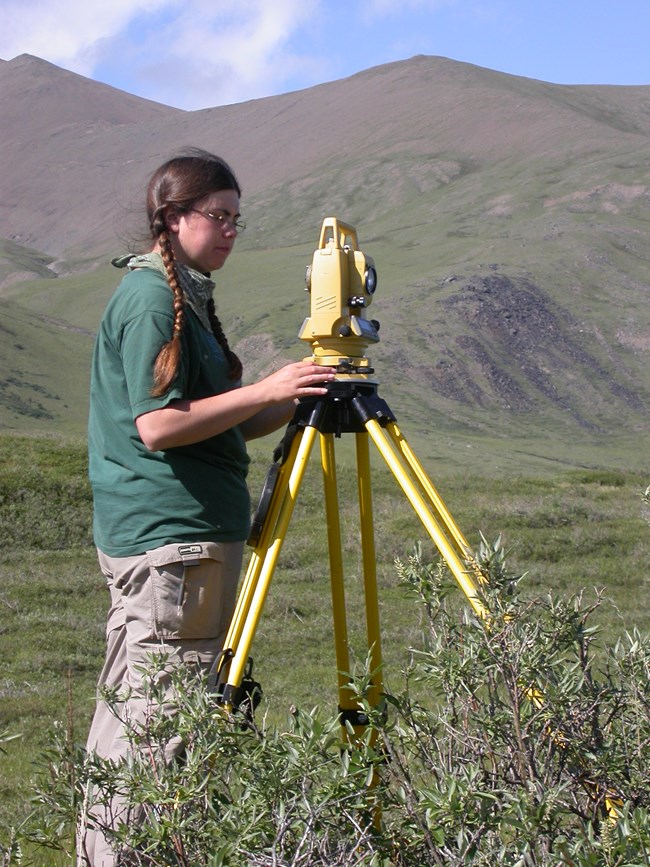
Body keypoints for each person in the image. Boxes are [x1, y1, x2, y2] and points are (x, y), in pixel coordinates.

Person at [80, 148, 335, 865]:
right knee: (159, 726)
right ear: (173, 217)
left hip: (191, 544)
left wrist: (296, 390)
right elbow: (157, 424)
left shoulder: (189, 293)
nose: (228, 230)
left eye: (235, 219)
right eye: (216, 216)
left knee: (166, 716)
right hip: (173, 545)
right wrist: (262, 390)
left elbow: (216, 419)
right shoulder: (151, 298)